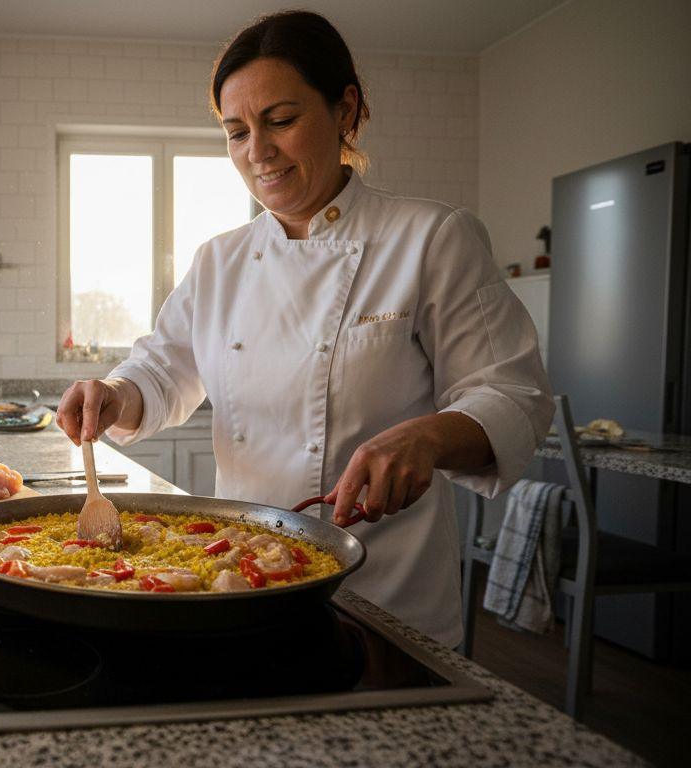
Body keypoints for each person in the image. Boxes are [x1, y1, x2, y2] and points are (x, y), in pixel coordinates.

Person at [55, 10, 552, 647]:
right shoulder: (219, 260)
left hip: (385, 595)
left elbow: (512, 395)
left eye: (281, 121)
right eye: (236, 132)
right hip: (235, 581)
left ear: (345, 110)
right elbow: (163, 367)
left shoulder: (430, 238)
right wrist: (116, 393)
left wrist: (427, 437)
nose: (257, 151)